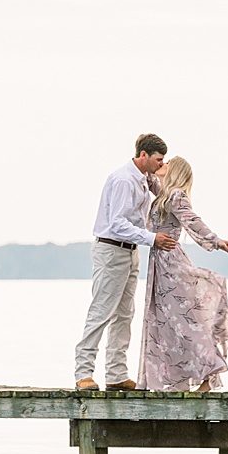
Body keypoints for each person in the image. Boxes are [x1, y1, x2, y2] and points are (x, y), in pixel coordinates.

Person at [74, 134, 179, 391]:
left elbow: (164, 194)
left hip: (131, 251)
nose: (160, 164)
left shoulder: (145, 178)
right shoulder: (123, 180)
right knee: (101, 311)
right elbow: (117, 224)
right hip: (111, 250)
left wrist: (162, 176)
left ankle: (116, 374)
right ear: (143, 155)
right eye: (158, 159)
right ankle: (83, 372)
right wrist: (152, 238)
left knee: (125, 314)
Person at [140, 156, 228, 393]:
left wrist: (215, 240)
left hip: (171, 265)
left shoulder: (176, 196)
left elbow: (192, 221)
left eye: (167, 163)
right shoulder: (163, 195)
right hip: (159, 266)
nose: (162, 165)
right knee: (165, 324)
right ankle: (178, 380)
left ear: (175, 171)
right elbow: (146, 177)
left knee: (184, 322)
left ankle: (210, 371)